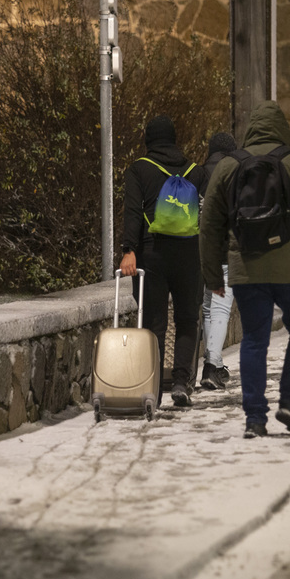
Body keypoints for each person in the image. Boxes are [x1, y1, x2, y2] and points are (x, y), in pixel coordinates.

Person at [200, 101, 290, 439]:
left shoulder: (228, 167)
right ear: (283, 129)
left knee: (253, 340)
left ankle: (254, 419)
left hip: (247, 270)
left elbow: (209, 227)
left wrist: (212, 277)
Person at [120, 115, 205, 407]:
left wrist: (128, 249)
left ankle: (152, 390)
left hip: (151, 254)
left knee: (153, 323)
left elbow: (132, 212)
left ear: (148, 140)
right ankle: (181, 382)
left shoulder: (139, 170)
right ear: (174, 138)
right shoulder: (195, 172)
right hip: (189, 255)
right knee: (187, 319)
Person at [198, 132, 237, 390]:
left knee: (209, 308)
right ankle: (210, 368)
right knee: (222, 308)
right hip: (226, 251)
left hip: (201, 252)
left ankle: (217, 364)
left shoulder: (198, 174)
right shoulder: (235, 173)